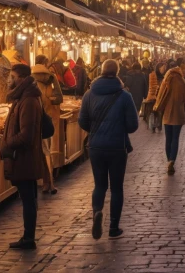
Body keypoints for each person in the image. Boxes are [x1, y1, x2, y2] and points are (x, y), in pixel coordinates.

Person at [78, 60, 138, 240]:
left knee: (100, 185)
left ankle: (97, 212)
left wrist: (95, 130)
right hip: (117, 147)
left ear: (101, 71)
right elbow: (133, 125)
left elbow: (82, 121)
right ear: (118, 72)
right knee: (117, 188)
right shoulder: (124, 96)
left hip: (96, 146)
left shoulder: (89, 94)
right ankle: (113, 227)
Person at [0, 64, 44, 250]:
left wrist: (8, 143)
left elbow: (26, 135)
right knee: (28, 197)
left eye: (12, 76)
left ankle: (28, 238)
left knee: (28, 198)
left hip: (24, 157)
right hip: (24, 157)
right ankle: (28, 237)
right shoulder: (23, 97)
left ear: (21, 78)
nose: (9, 79)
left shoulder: (28, 100)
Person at [32, 56, 64, 195]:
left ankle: (43, 182)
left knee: (38, 151)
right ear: (45, 63)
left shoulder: (30, 78)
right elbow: (59, 98)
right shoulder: (51, 78)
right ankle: (49, 182)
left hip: (34, 118)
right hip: (49, 118)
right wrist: (50, 99)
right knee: (47, 151)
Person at [153, 63, 185, 175]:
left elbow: (159, 96)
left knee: (168, 138)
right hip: (178, 113)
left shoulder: (166, 80)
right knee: (175, 138)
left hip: (167, 113)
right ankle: (172, 161)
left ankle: (168, 160)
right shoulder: (182, 81)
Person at [144, 62, 166, 132]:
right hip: (153, 97)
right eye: (163, 68)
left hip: (159, 97)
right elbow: (148, 86)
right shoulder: (152, 76)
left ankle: (158, 125)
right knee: (153, 112)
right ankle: (153, 126)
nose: (164, 69)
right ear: (159, 68)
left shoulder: (163, 77)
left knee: (159, 112)